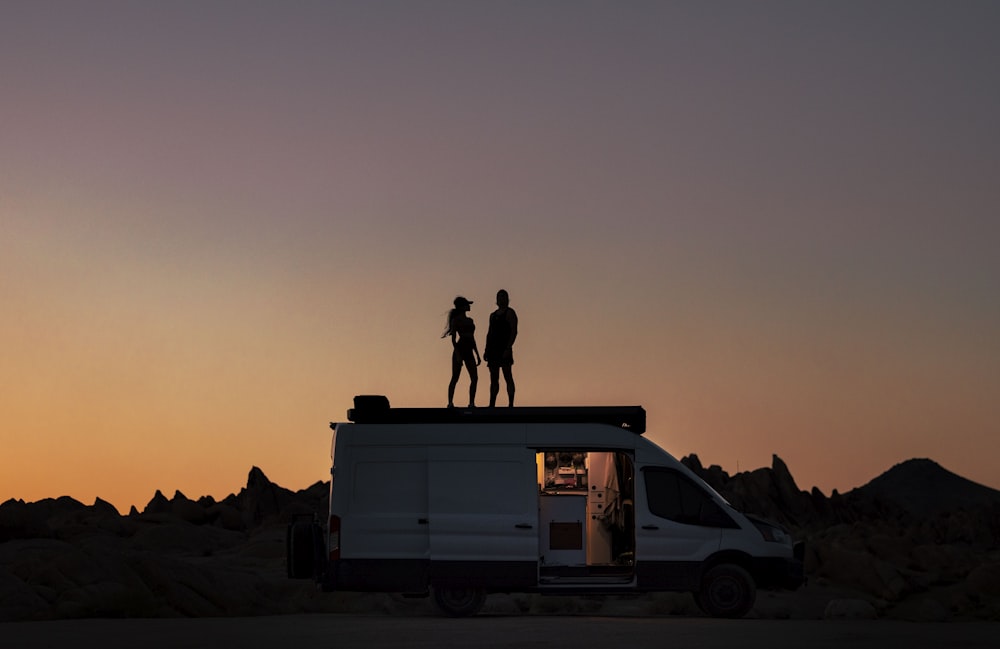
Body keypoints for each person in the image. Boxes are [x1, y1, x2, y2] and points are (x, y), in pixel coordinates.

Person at [442, 296, 481, 408]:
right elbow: (453, 339)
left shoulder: (470, 320)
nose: (469, 306)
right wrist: (458, 354)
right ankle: (450, 402)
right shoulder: (456, 320)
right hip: (460, 348)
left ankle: (472, 403)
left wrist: (477, 354)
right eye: (467, 304)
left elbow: (472, 338)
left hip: (469, 349)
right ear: (461, 307)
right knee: (455, 377)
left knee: (474, 378)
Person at [485, 289, 518, 407]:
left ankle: (510, 404)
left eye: (503, 296)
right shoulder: (492, 316)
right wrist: (486, 350)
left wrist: (508, 348)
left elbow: (514, 331)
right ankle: (492, 404)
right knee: (494, 379)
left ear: (507, 299)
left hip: (504, 349)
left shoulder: (510, 313)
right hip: (493, 350)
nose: (501, 299)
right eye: (499, 297)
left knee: (507, 375)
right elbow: (489, 333)